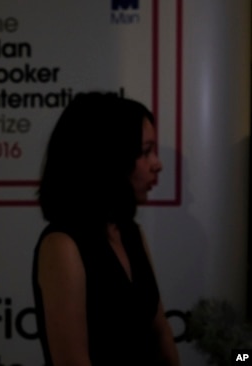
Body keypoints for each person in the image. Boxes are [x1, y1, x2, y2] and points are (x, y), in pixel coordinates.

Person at [32, 92, 180, 365]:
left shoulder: (131, 233)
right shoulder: (62, 245)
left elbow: (161, 333)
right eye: (145, 151)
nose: (157, 164)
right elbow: (73, 360)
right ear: (110, 158)